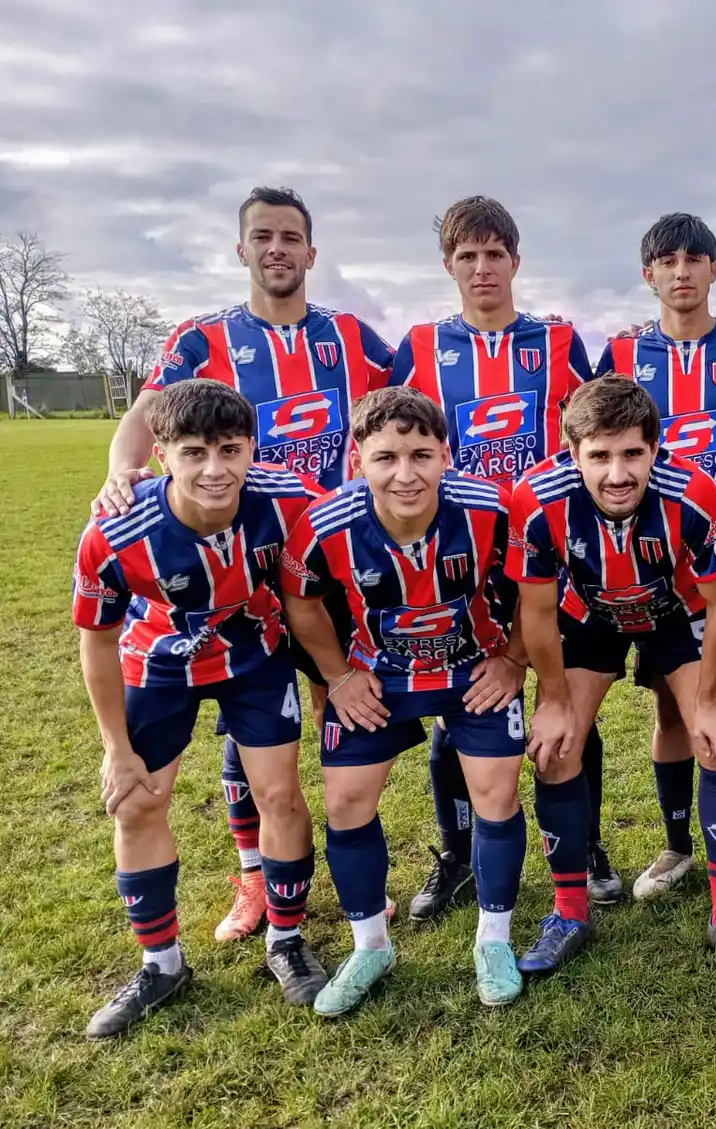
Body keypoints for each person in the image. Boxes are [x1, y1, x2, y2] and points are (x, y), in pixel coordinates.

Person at [89, 186, 394, 946]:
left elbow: (407, 402)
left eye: (292, 237)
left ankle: (357, 877)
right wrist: (122, 471)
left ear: (311, 253)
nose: (278, 249)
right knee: (242, 720)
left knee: (336, 718)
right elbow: (147, 410)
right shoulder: (203, 337)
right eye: (264, 236)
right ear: (243, 250)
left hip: (324, 565)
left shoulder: (350, 336)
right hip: (233, 570)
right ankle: (255, 881)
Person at [74, 381, 330, 1039]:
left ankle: (288, 938)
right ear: (160, 454)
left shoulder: (290, 499)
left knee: (280, 796)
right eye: (194, 452)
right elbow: (96, 644)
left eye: (229, 449)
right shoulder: (114, 529)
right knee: (136, 802)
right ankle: (161, 964)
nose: (214, 469)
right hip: (159, 664)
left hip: (254, 655)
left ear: (252, 448)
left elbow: (345, 554)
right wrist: (115, 746)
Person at [385, 196, 615, 918]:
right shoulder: (420, 347)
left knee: (567, 699)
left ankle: (586, 844)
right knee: (460, 704)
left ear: (516, 260)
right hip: (461, 559)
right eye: (467, 255)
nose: (482, 268)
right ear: (448, 263)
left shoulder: (557, 341)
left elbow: (596, 423)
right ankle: (456, 855)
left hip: (551, 551)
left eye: (494, 254)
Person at [278, 387, 540, 1015]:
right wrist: (338, 675)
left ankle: (493, 938)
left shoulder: (491, 510)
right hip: (378, 674)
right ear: (357, 459)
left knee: (497, 793)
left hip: (472, 668)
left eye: (421, 455)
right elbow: (302, 601)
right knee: (344, 802)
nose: (405, 474)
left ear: (446, 455)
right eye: (386, 457)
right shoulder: (323, 524)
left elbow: (538, 592)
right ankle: (371, 945)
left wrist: (511, 661)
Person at [506, 377, 716, 974]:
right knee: (554, 749)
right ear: (572, 453)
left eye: (632, 454)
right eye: (598, 456)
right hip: (591, 614)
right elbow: (539, 611)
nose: (617, 474)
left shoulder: (694, 494)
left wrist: (708, 700)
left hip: (679, 613)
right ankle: (570, 911)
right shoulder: (536, 497)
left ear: (656, 448)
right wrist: (551, 699)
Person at [593, 213, 716, 906]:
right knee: (671, 710)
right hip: (647, 566)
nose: (682, 271)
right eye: (667, 260)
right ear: (649, 274)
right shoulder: (619, 353)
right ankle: (675, 845)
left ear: (714, 269)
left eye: (695, 258)